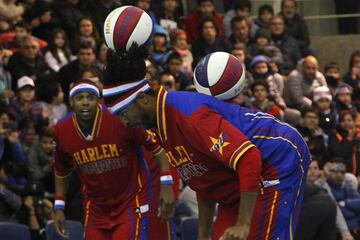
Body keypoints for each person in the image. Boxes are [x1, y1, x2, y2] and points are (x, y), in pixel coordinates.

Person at [102, 46, 311, 240]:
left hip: (278, 156)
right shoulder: (160, 124)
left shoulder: (189, 115)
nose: (125, 122)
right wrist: (203, 235)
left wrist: (244, 224)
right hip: (239, 175)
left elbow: (249, 158)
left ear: (143, 99)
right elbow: (203, 180)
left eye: (123, 113)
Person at [53, 79, 175, 239]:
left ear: (98, 100)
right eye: (79, 98)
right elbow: (62, 170)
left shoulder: (119, 116)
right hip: (96, 206)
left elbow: (157, 148)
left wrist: (166, 183)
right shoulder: (62, 130)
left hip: (130, 202)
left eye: (90, 97)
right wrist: (59, 205)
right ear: (71, 102)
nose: (85, 103)